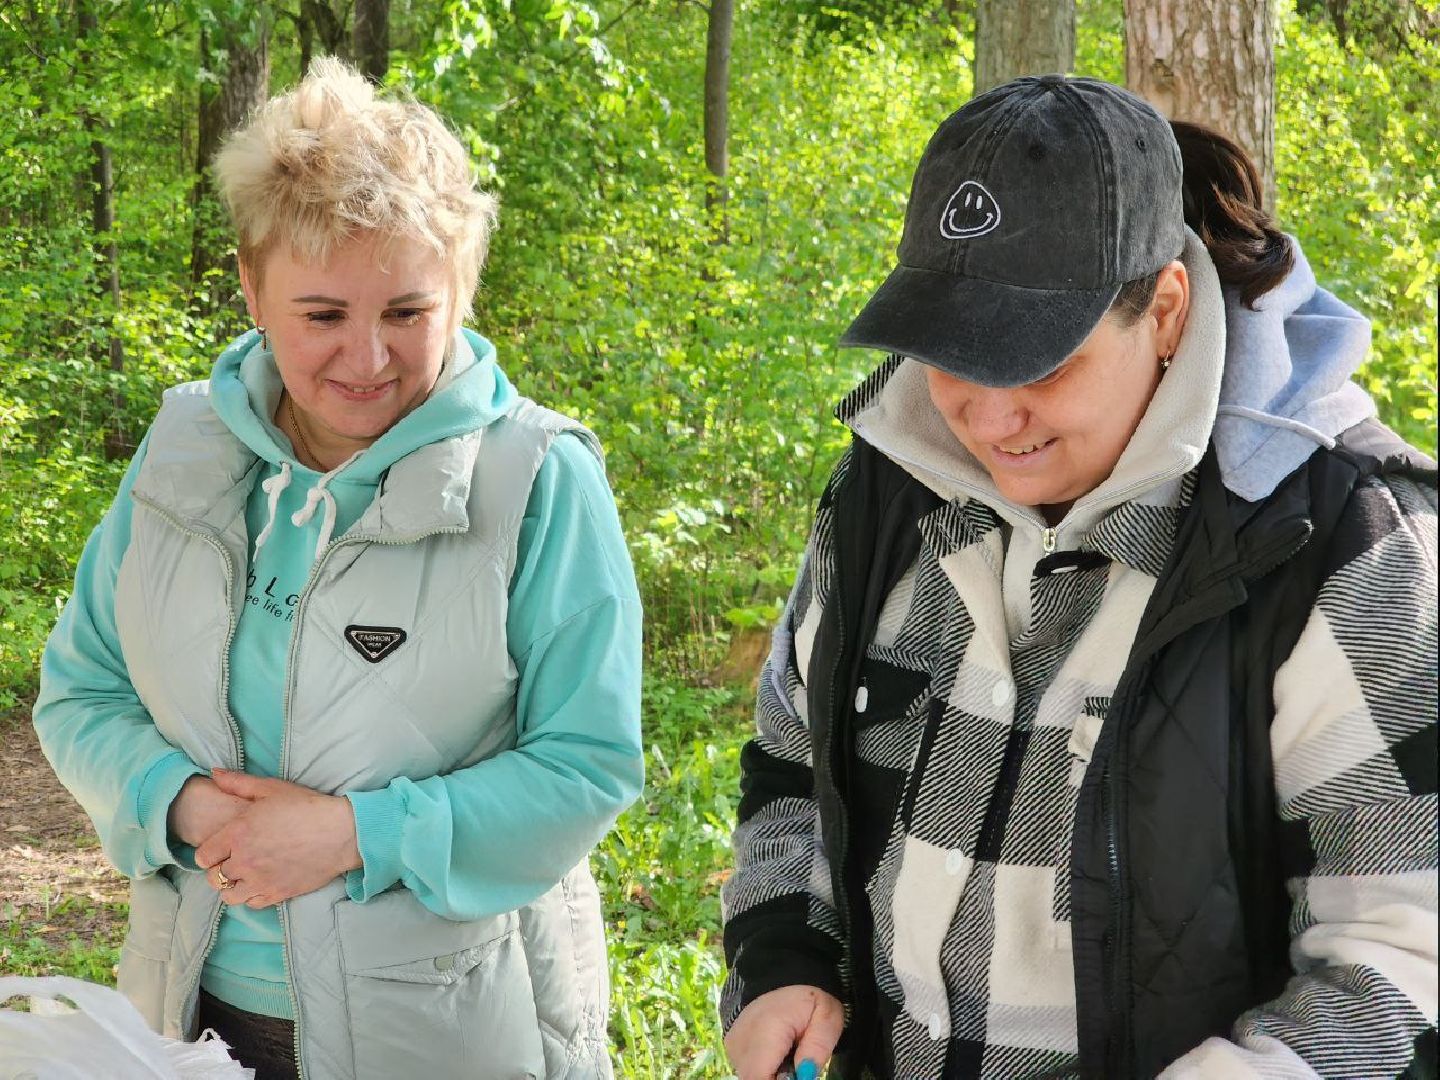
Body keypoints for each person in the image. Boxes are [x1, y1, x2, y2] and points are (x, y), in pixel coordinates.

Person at [720, 75, 1437, 1080]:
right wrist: (782, 957)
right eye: (956, 355)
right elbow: (793, 764)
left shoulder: (1337, 542)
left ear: (1167, 312)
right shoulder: (884, 494)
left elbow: (1406, 963)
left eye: (1042, 363)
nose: (990, 417)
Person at [33, 58, 643, 1080]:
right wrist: (184, 804)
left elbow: (587, 766)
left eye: (408, 311)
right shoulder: (182, 451)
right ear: (249, 286)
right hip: (185, 1018)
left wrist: (356, 834)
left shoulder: (535, 480)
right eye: (322, 315)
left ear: (465, 287)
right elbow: (81, 692)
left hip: (444, 1037)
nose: (366, 360)